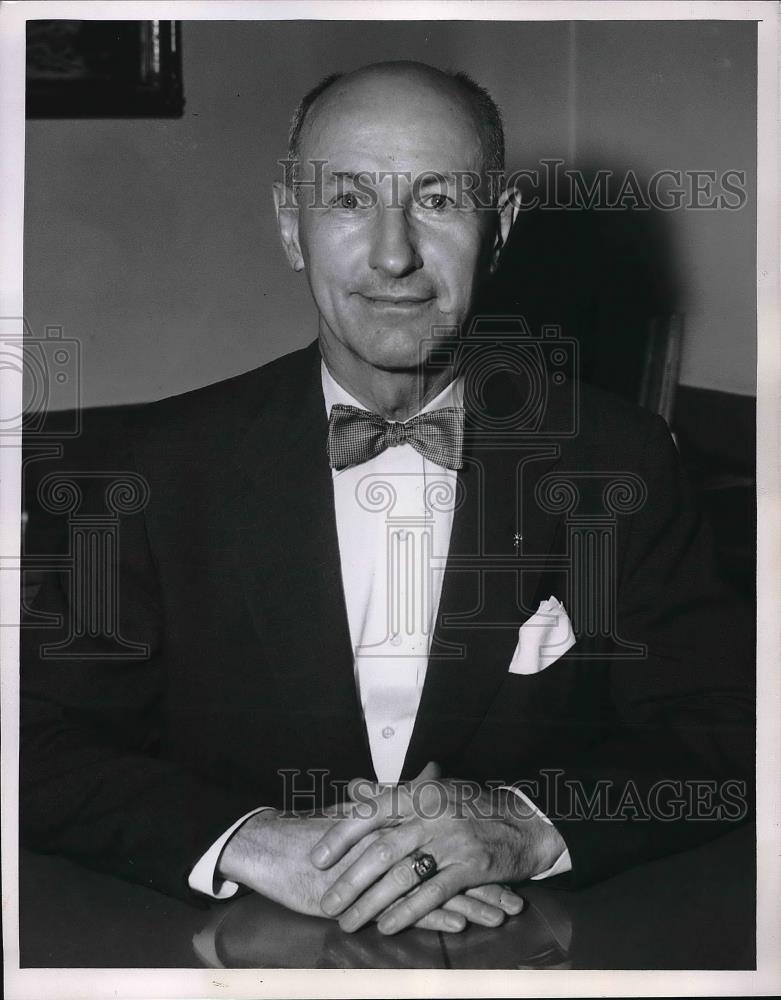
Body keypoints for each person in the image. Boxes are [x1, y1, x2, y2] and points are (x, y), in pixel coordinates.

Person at [20, 61, 753, 939]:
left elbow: (723, 733)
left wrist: (526, 824)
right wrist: (246, 839)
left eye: (438, 200)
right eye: (348, 200)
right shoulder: (141, 470)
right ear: (291, 228)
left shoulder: (622, 459)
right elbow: (33, 745)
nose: (394, 253)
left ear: (499, 229)